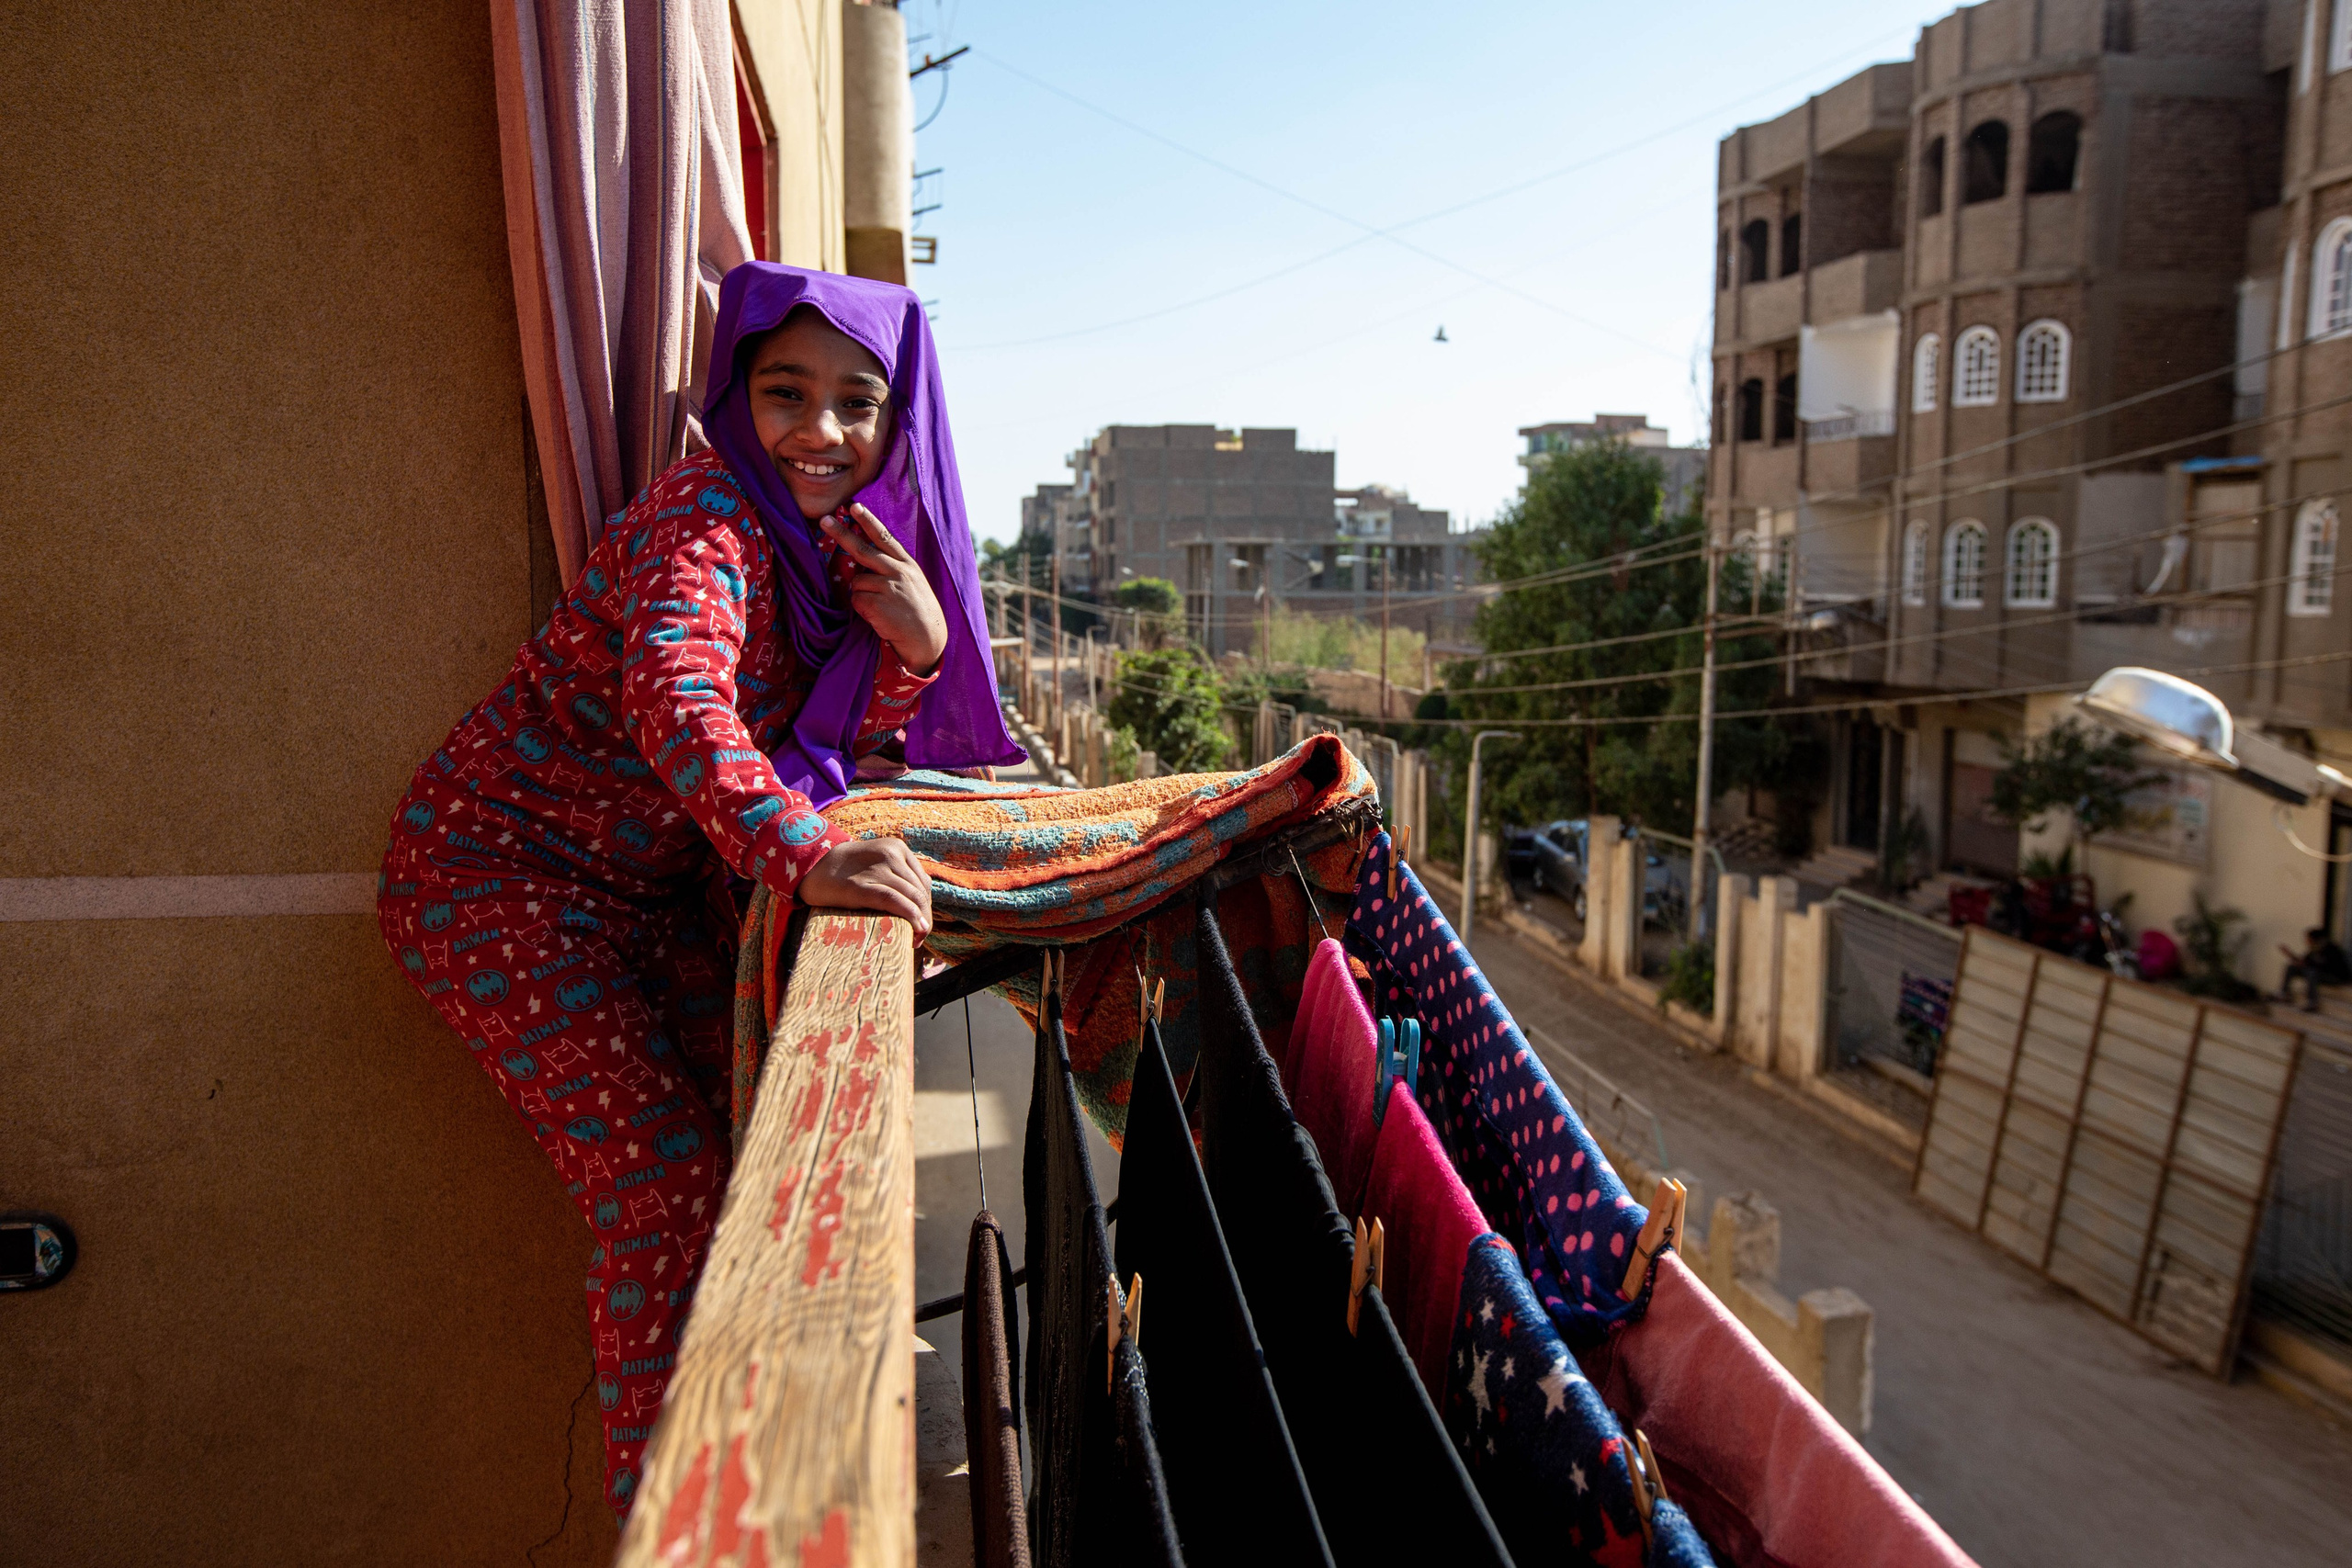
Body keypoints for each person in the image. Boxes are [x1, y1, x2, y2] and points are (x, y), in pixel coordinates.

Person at [376, 263, 1023, 1515]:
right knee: (667, 1192)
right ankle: (671, 1512)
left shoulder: (831, 549)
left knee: (748, 1161)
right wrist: (805, 852)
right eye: (786, 391)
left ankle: (750, 1465)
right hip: (494, 883)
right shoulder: (706, 516)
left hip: (637, 894)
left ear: (899, 423)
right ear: (735, 392)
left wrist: (917, 645)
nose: (821, 432)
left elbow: (819, 732)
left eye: (856, 403)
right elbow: (682, 702)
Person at [2278, 926, 2352, 1012]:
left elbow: (2327, 967)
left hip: (2335, 977)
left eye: (2308, 939)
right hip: (2319, 974)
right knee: (2292, 968)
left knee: (2312, 973)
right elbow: (2304, 962)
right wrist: (2290, 955)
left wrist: (2309, 965)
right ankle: (2284, 993)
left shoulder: (2331, 949)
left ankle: (2312, 1002)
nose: (2307, 941)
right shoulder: (2314, 949)